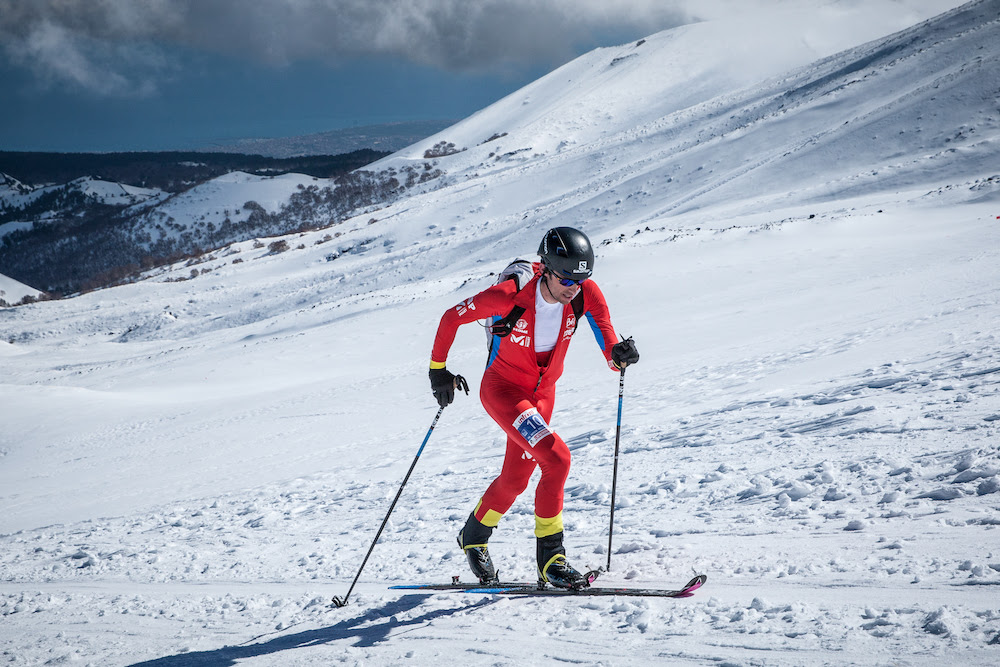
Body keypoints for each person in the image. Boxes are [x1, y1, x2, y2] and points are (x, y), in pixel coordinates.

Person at [428, 226, 640, 589]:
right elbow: (451, 318)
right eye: (566, 278)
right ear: (545, 268)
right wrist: (438, 372)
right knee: (557, 459)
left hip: (542, 395)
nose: (573, 286)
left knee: (516, 478)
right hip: (504, 391)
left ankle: (473, 536)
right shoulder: (508, 296)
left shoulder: (584, 294)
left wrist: (617, 356)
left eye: (581, 278)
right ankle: (552, 559)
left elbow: (606, 337)